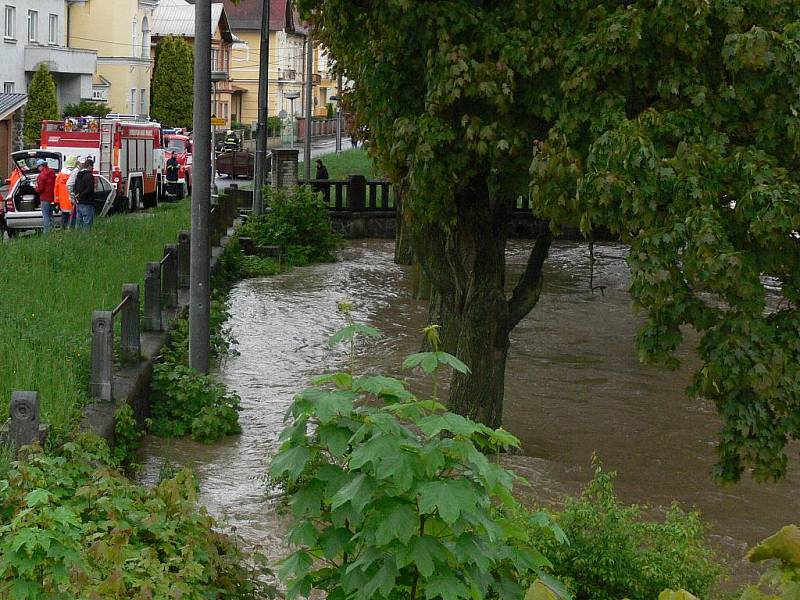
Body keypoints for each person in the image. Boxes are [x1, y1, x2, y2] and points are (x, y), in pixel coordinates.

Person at [72, 157, 96, 230]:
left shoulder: (79, 175)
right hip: (87, 202)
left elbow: (74, 186)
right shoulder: (90, 176)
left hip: (79, 202)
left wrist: (77, 195)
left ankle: (78, 237)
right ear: (89, 166)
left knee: (79, 222)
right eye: (92, 167)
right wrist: (82, 195)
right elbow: (89, 189)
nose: (93, 169)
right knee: (87, 222)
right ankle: (86, 238)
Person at [55, 155, 78, 229]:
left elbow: (56, 189)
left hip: (63, 203)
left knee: (64, 219)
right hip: (72, 201)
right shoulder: (74, 174)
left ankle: (64, 231)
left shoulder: (60, 174)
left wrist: (56, 201)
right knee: (73, 220)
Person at [34, 159, 56, 234]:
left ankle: (47, 232)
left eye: (38, 167)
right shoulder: (52, 172)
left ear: (41, 166)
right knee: (51, 214)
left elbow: (40, 189)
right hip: (52, 198)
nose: (38, 168)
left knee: (45, 215)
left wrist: (34, 187)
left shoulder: (41, 176)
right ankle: (52, 230)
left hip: (44, 198)